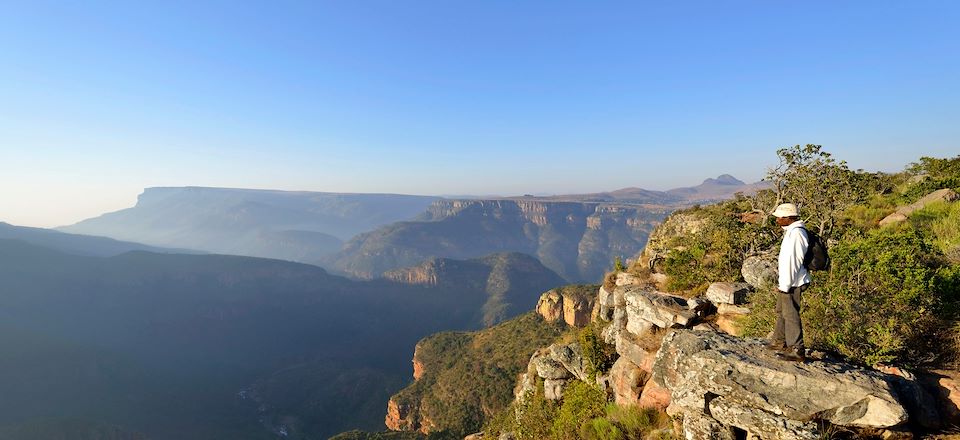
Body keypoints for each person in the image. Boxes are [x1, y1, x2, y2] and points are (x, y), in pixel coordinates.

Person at [766, 203, 812, 362]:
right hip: (788, 281)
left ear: (789, 218)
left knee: (790, 314)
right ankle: (780, 341)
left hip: (793, 282)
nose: (777, 220)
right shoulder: (791, 232)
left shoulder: (797, 234)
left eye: (780, 217)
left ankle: (797, 349)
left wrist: (785, 286)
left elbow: (793, 261)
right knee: (782, 311)